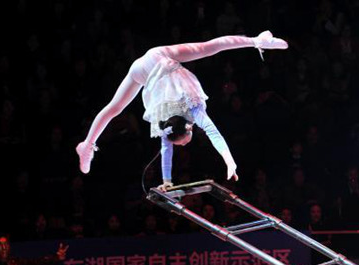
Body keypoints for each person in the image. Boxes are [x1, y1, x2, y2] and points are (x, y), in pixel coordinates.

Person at [75, 31, 288, 187]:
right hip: (155, 61)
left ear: (187, 128)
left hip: (158, 64)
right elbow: (167, 148)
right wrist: (167, 181)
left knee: (208, 48)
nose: (184, 145)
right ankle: (87, 145)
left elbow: (211, 134)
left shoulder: (193, 109)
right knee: (114, 108)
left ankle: (258, 41)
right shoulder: (168, 120)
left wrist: (229, 161)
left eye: (182, 142)